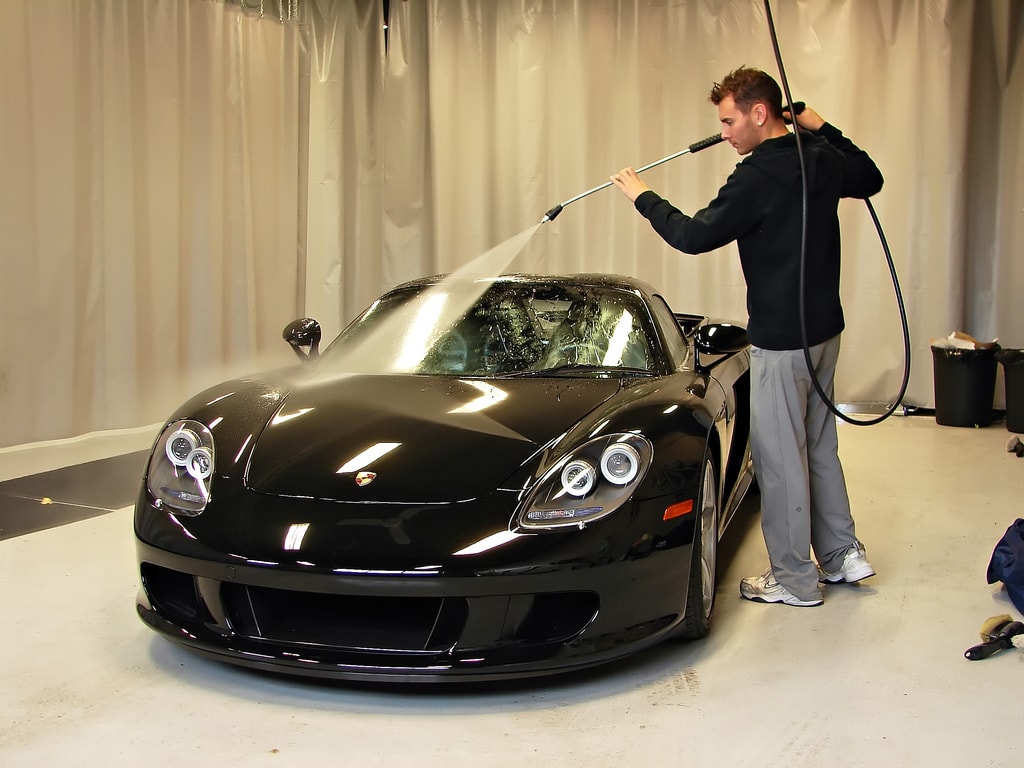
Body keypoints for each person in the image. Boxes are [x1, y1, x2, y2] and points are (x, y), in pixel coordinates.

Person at [611, 66, 883, 607]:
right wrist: (819, 124)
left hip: (783, 343)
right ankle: (842, 555)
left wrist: (642, 195)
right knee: (820, 445)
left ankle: (794, 579)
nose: (725, 133)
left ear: (761, 113)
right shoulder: (819, 155)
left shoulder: (757, 176)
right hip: (825, 332)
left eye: (730, 121)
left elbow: (692, 236)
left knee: (780, 459)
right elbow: (869, 176)